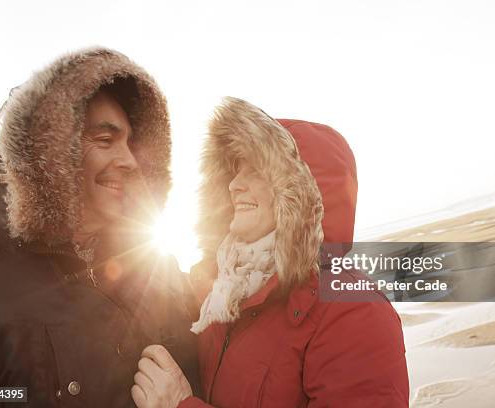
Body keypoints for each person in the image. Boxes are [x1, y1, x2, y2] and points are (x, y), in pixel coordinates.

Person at [0, 48, 198, 407]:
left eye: (132, 143)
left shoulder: (159, 270)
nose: (130, 161)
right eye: (105, 140)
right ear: (52, 151)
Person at [132, 97, 409, 407]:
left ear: (299, 190)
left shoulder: (354, 311)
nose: (235, 184)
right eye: (235, 170)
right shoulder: (224, 295)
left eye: (256, 171)